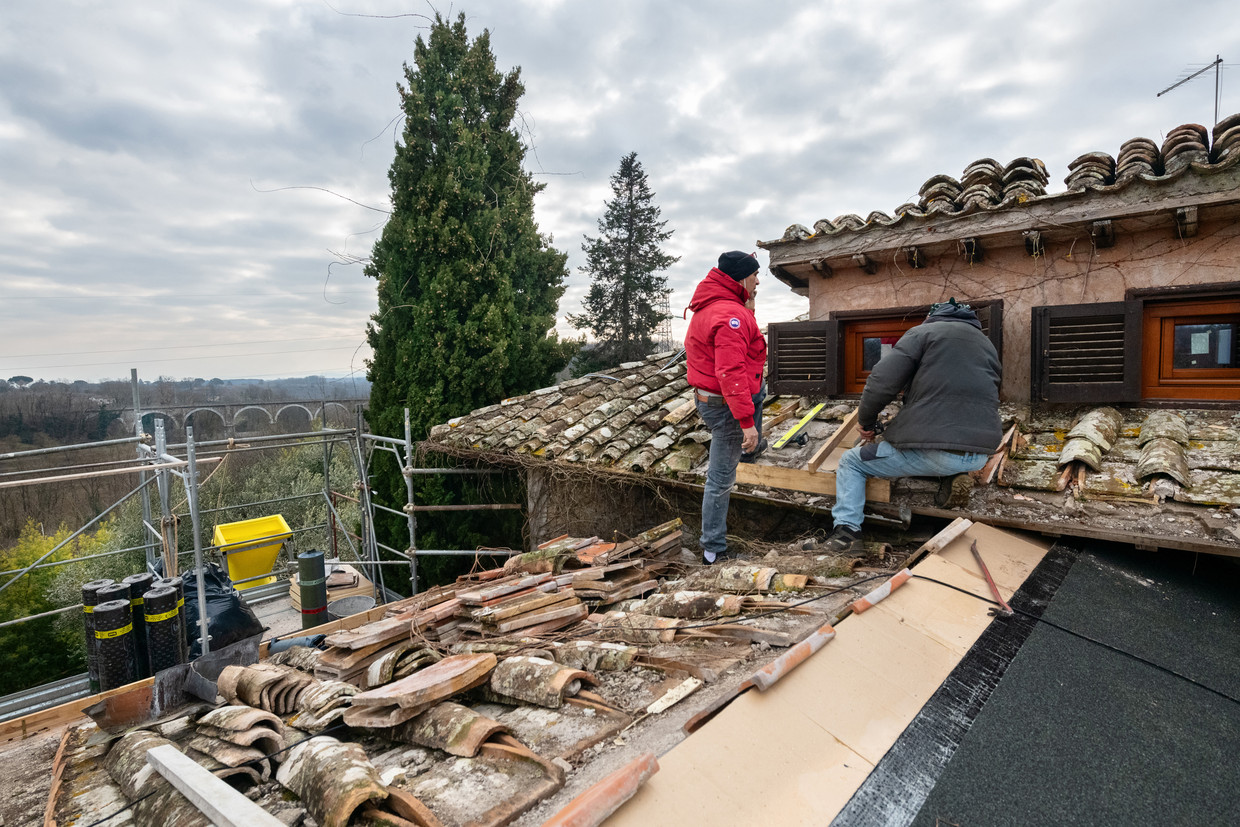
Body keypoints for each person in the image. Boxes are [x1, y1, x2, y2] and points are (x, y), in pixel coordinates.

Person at [823, 298, 1002, 556]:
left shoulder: (922, 333)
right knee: (929, 453)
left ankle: (846, 535)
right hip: (978, 454)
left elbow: (882, 381)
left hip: (933, 450)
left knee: (852, 461)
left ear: (932, 316)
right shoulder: (985, 343)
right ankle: (950, 475)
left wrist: (867, 421)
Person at [685, 251, 767, 564]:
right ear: (740, 277)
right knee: (720, 479)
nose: (758, 280)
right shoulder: (729, 317)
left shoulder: (718, 307)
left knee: (759, 400)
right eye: (755, 275)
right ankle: (713, 549)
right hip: (728, 406)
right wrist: (745, 421)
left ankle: (751, 444)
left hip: (720, 398)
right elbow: (730, 372)